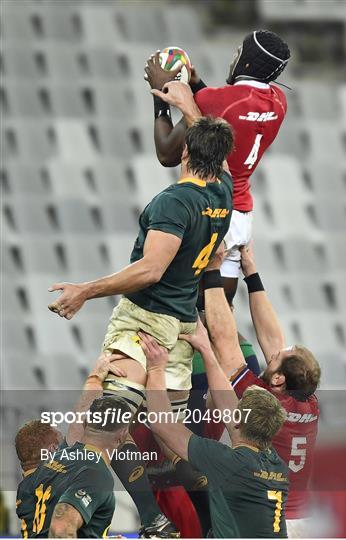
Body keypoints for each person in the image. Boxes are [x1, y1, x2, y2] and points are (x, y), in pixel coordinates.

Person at [47, 86, 234, 536]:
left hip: (144, 326)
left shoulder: (174, 203)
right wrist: (181, 101)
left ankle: (152, 520)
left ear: (186, 149)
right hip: (182, 329)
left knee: (100, 434)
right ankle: (216, 521)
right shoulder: (224, 191)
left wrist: (85, 291)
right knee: (172, 447)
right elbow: (218, 244)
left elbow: (150, 269)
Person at [145, 30, 290, 304]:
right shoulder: (279, 100)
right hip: (242, 214)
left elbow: (167, 154)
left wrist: (160, 99)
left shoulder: (217, 102)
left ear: (245, 62)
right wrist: (199, 86)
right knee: (223, 313)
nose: (232, 58)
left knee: (192, 312)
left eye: (238, 53)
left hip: (214, 211)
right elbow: (231, 108)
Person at [201, 244, 321, 538]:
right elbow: (272, 339)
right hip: (303, 518)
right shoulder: (308, 400)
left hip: (277, 520)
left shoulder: (258, 397)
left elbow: (223, 341)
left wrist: (213, 270)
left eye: (276, 358)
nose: (271, 354)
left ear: (278, 379)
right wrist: (251, 274)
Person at [141, 327, 289, 539]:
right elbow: (231, 411)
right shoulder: (274, 461)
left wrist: (156, 369)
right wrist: (206, 351)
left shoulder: (228, 462)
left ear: (238, 421)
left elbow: (163, 426)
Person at [15, 353, 128, 539]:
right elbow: (60, 530)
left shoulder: (44, 472)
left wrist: (95, 378)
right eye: (61, 440)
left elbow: (78, 422)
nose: (66, 445)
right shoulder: (93, 473)